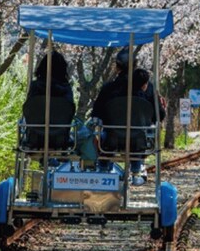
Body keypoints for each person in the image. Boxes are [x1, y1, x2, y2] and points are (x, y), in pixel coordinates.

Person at [92, 50, 165, 186]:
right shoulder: (147, 89)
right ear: (136, 65)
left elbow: (96, 114)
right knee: (136, 135)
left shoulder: (108, 89)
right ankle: (137, 169)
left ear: (117, 67)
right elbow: (159, 115)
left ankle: (103, 169)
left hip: (110, 141)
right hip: (138, 142)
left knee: (102, 135)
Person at [23, 50, 75, 150]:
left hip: (34, 138)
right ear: (63, 69)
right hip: (61, 139)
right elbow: (70, 113)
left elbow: (27, 110)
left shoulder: (35, 87)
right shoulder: (66, 89)